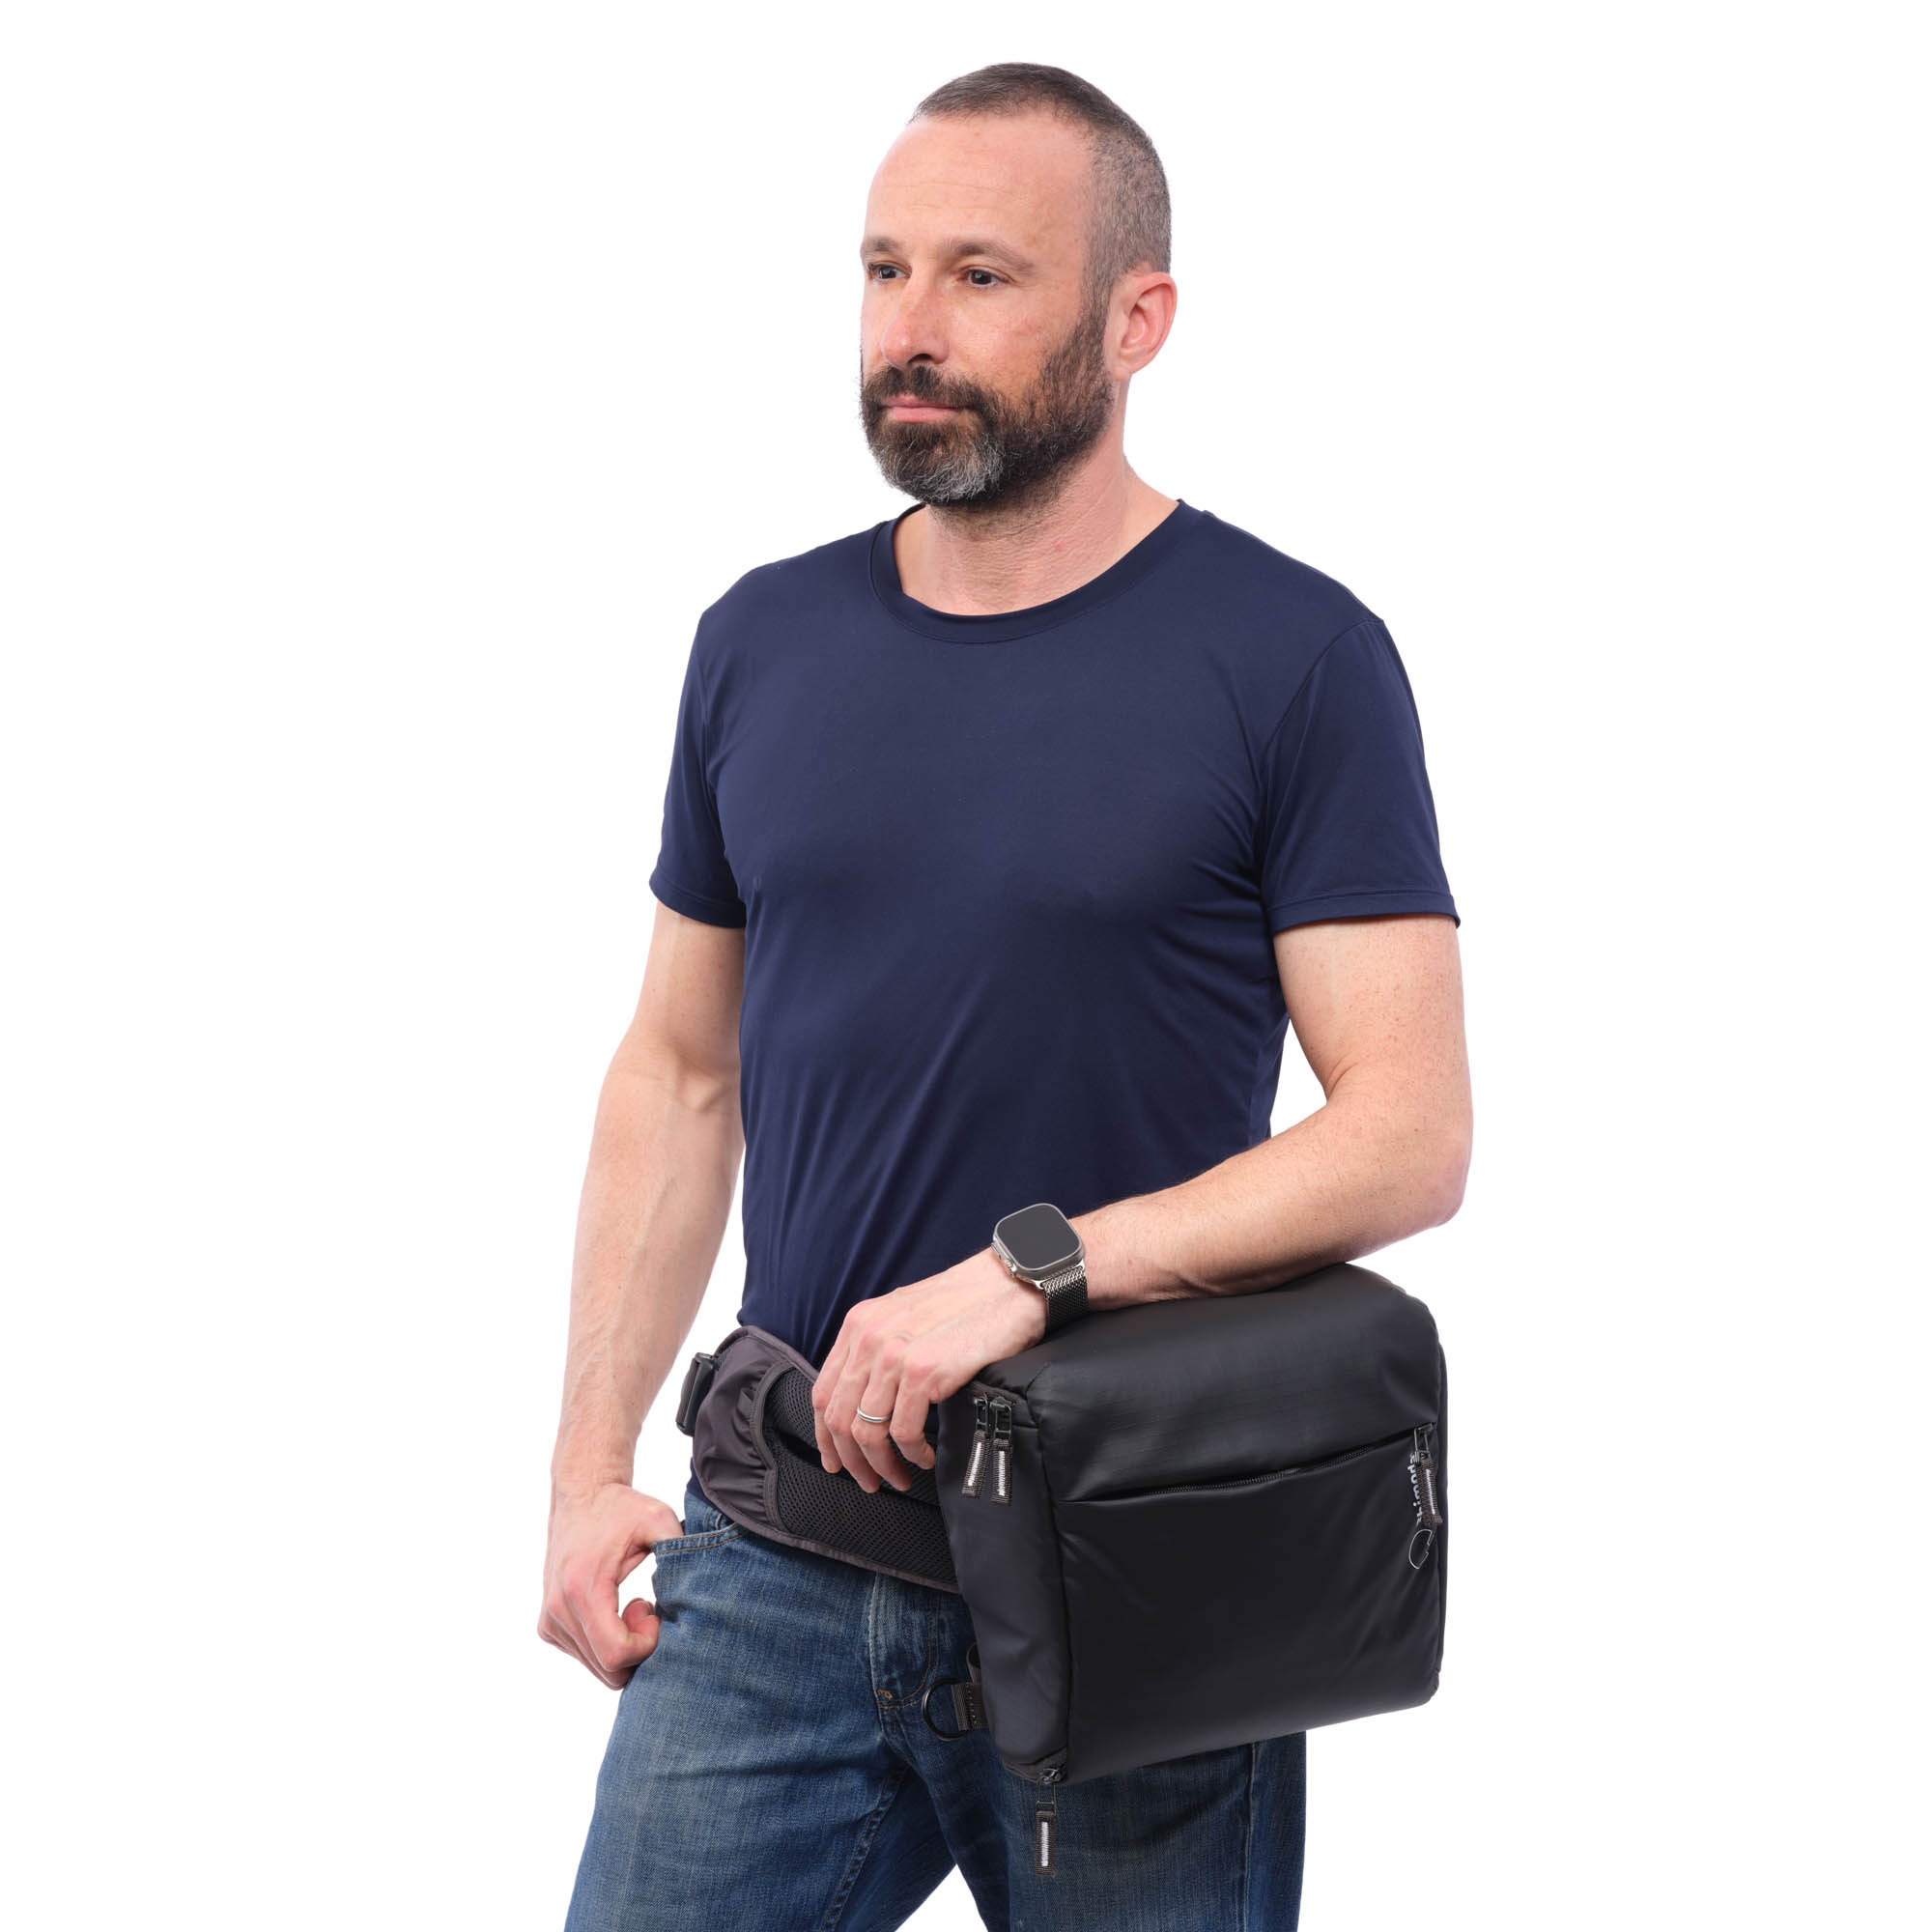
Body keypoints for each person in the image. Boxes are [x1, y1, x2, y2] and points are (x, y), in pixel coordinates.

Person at [540, 60, 1472, 1932]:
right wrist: (583, 1467)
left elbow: (1406, 1132)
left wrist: (1027, 1273)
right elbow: (680, 1071)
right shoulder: (761, 639)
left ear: (1138, 319)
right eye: (885, 270)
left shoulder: (1293, 657)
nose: (912, 327)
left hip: (1129, 1576)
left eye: (982, 277)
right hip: (773, 1555)